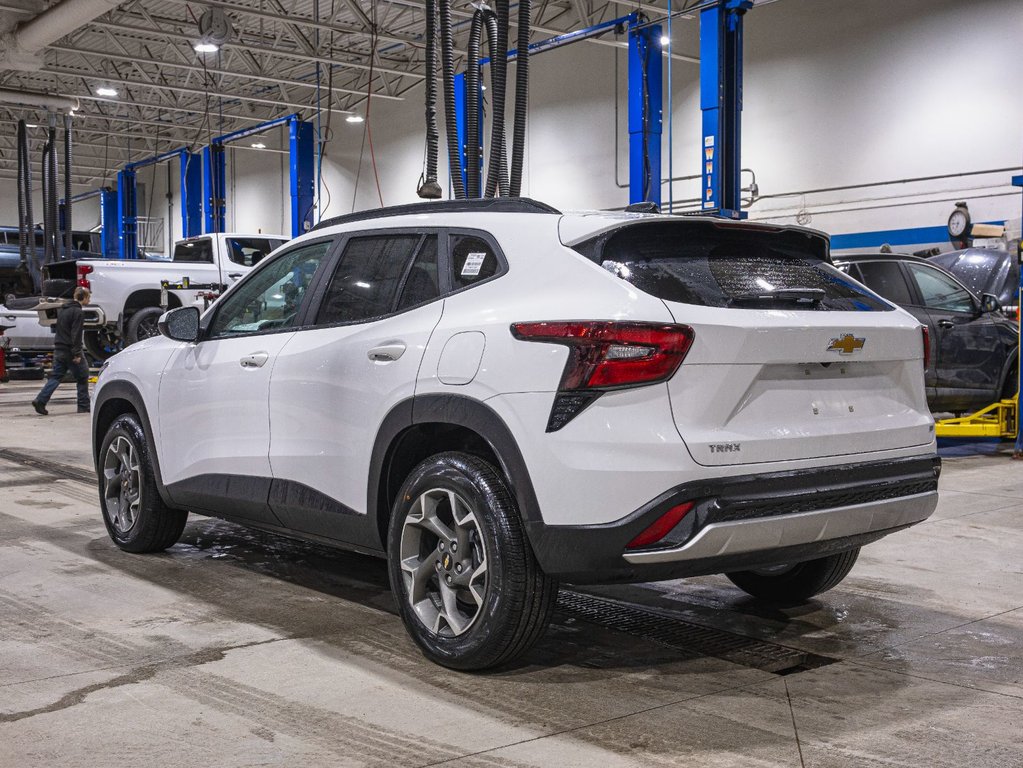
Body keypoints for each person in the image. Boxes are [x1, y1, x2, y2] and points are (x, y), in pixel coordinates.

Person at [32, 287, 91, 415]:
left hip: (59, 348)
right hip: (70, 349)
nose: (89, 300)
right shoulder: (78, 312)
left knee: (56, 376)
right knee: (82, 376)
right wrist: (76, 353)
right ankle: (83, 406)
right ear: (84, 298)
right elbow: (75, 334)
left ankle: (41, 400)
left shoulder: (63, 310)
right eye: (88, 297)